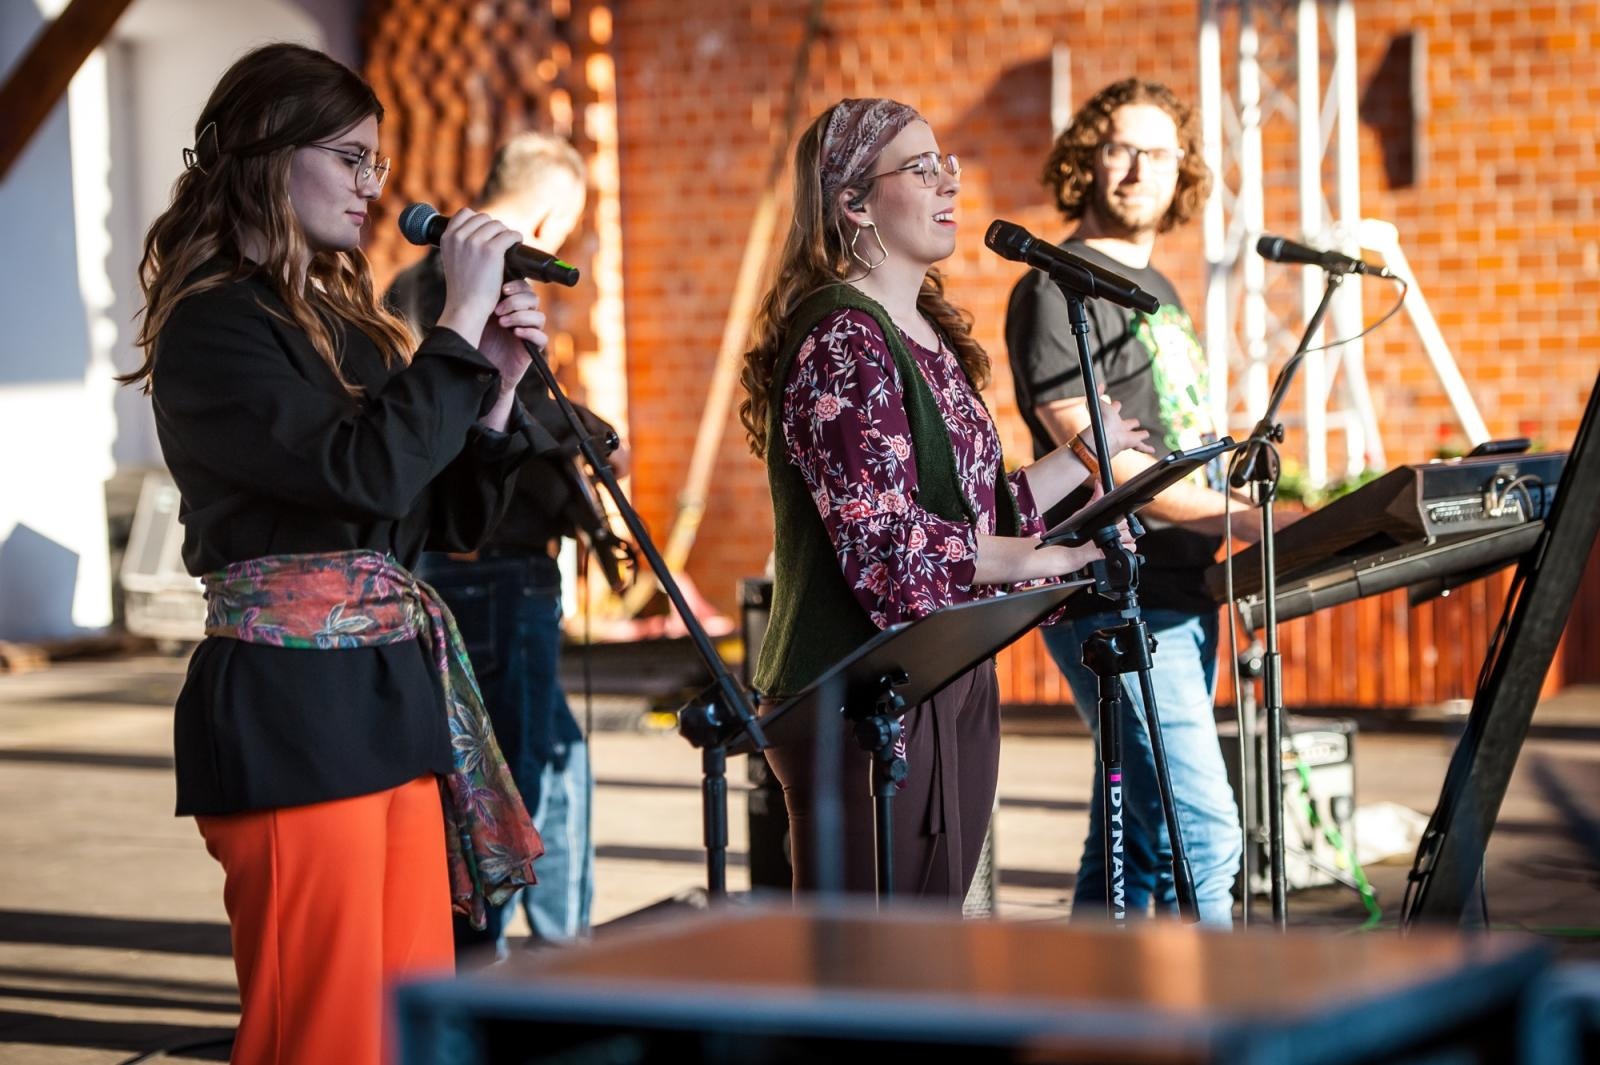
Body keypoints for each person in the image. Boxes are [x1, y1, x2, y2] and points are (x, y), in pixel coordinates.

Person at [122, 43, 549, 1064]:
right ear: (268, 155)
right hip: (291, 707)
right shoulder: (213, 325)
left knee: (402, 1029)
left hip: (386, 700)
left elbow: (433, 520)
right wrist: (450, 321)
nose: (373, 187)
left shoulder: (344, 324)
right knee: (323, 1035)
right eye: (352, 159)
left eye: (378, 165)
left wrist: (490, 388)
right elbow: (360, 474)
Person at [737, 98, 1147, 901]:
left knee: (926, 950)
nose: (946, 184)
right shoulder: (844, 342)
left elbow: (965, 522)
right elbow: (889, 545)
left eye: (946, 164)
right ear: (853, 203)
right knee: (874, 968)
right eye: (918, 169)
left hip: (938, 667)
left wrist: (1078, 464)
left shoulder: (921, 332)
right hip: (858, 692)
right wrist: (1053, 557)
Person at [1004, 77, 1275, 926]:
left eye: (1157, 151)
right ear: (1089, 158)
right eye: (1119, 146)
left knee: (1134, 844)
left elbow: (1170, 432)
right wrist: (1237, 519)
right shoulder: (1053, 290)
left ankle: (1092, 1015)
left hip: (1186, 590)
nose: (1136, 167)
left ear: (1180, 170)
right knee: (1208, 835)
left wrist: (1253, 491)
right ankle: (1221, 1030)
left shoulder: (1161, 285)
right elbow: (1106, 464)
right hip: (1116, 599)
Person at [386, 132, 612, 957]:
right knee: (505, 772)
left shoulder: (469, 283)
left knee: (558, 758)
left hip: (511, 566)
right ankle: (486, 964)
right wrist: (593, 433)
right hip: (479, 566)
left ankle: (563, 955)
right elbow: (456, 403)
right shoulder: (438, 284)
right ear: (550, 209)